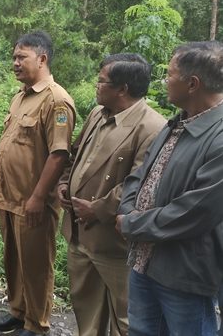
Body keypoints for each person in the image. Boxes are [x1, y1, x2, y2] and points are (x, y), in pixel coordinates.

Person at [116, 41, 223, 336]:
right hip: (144, 262)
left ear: (192, 84)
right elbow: (140, 174)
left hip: (184, 273)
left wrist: (132, 223)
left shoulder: (219, 135)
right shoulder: (177, 123)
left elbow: (196, 211)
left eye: (170, 75)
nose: (164, 81)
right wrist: (126, 209)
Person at [57, 53, 165, 336]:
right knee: (86, 307)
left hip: (115, 243)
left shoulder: (152, 128)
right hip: (80, 234)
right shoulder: (96, 113)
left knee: (126, 316)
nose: (96, 85)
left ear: (123, 89)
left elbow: (141, 184)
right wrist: (64, 183)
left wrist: (97, 209)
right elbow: (76, 153)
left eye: (101, 80)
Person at [0, 31, 76, 336]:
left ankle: (37, 324)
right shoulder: (21, 96)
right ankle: (18, 311)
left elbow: (59, 154)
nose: (14, 63)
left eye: (20, 57)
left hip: (33, 201)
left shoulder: (56, 100)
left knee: (37, 265)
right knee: (14, 260)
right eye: (13, 57)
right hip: (10, 198)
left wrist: (38, 197)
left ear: (42, 58)